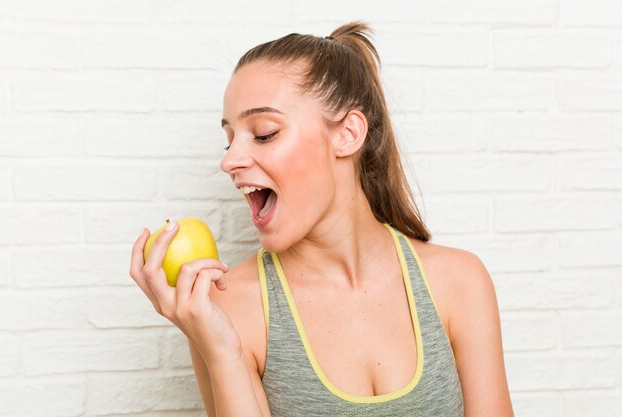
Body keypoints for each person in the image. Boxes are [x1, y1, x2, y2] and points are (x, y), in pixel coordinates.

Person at [130, 21, 514, 417]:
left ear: (347, 134)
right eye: (230, 139)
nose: (229, 161)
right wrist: (222, 352)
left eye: (263, 133)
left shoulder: (459, 282)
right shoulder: (227, 307)